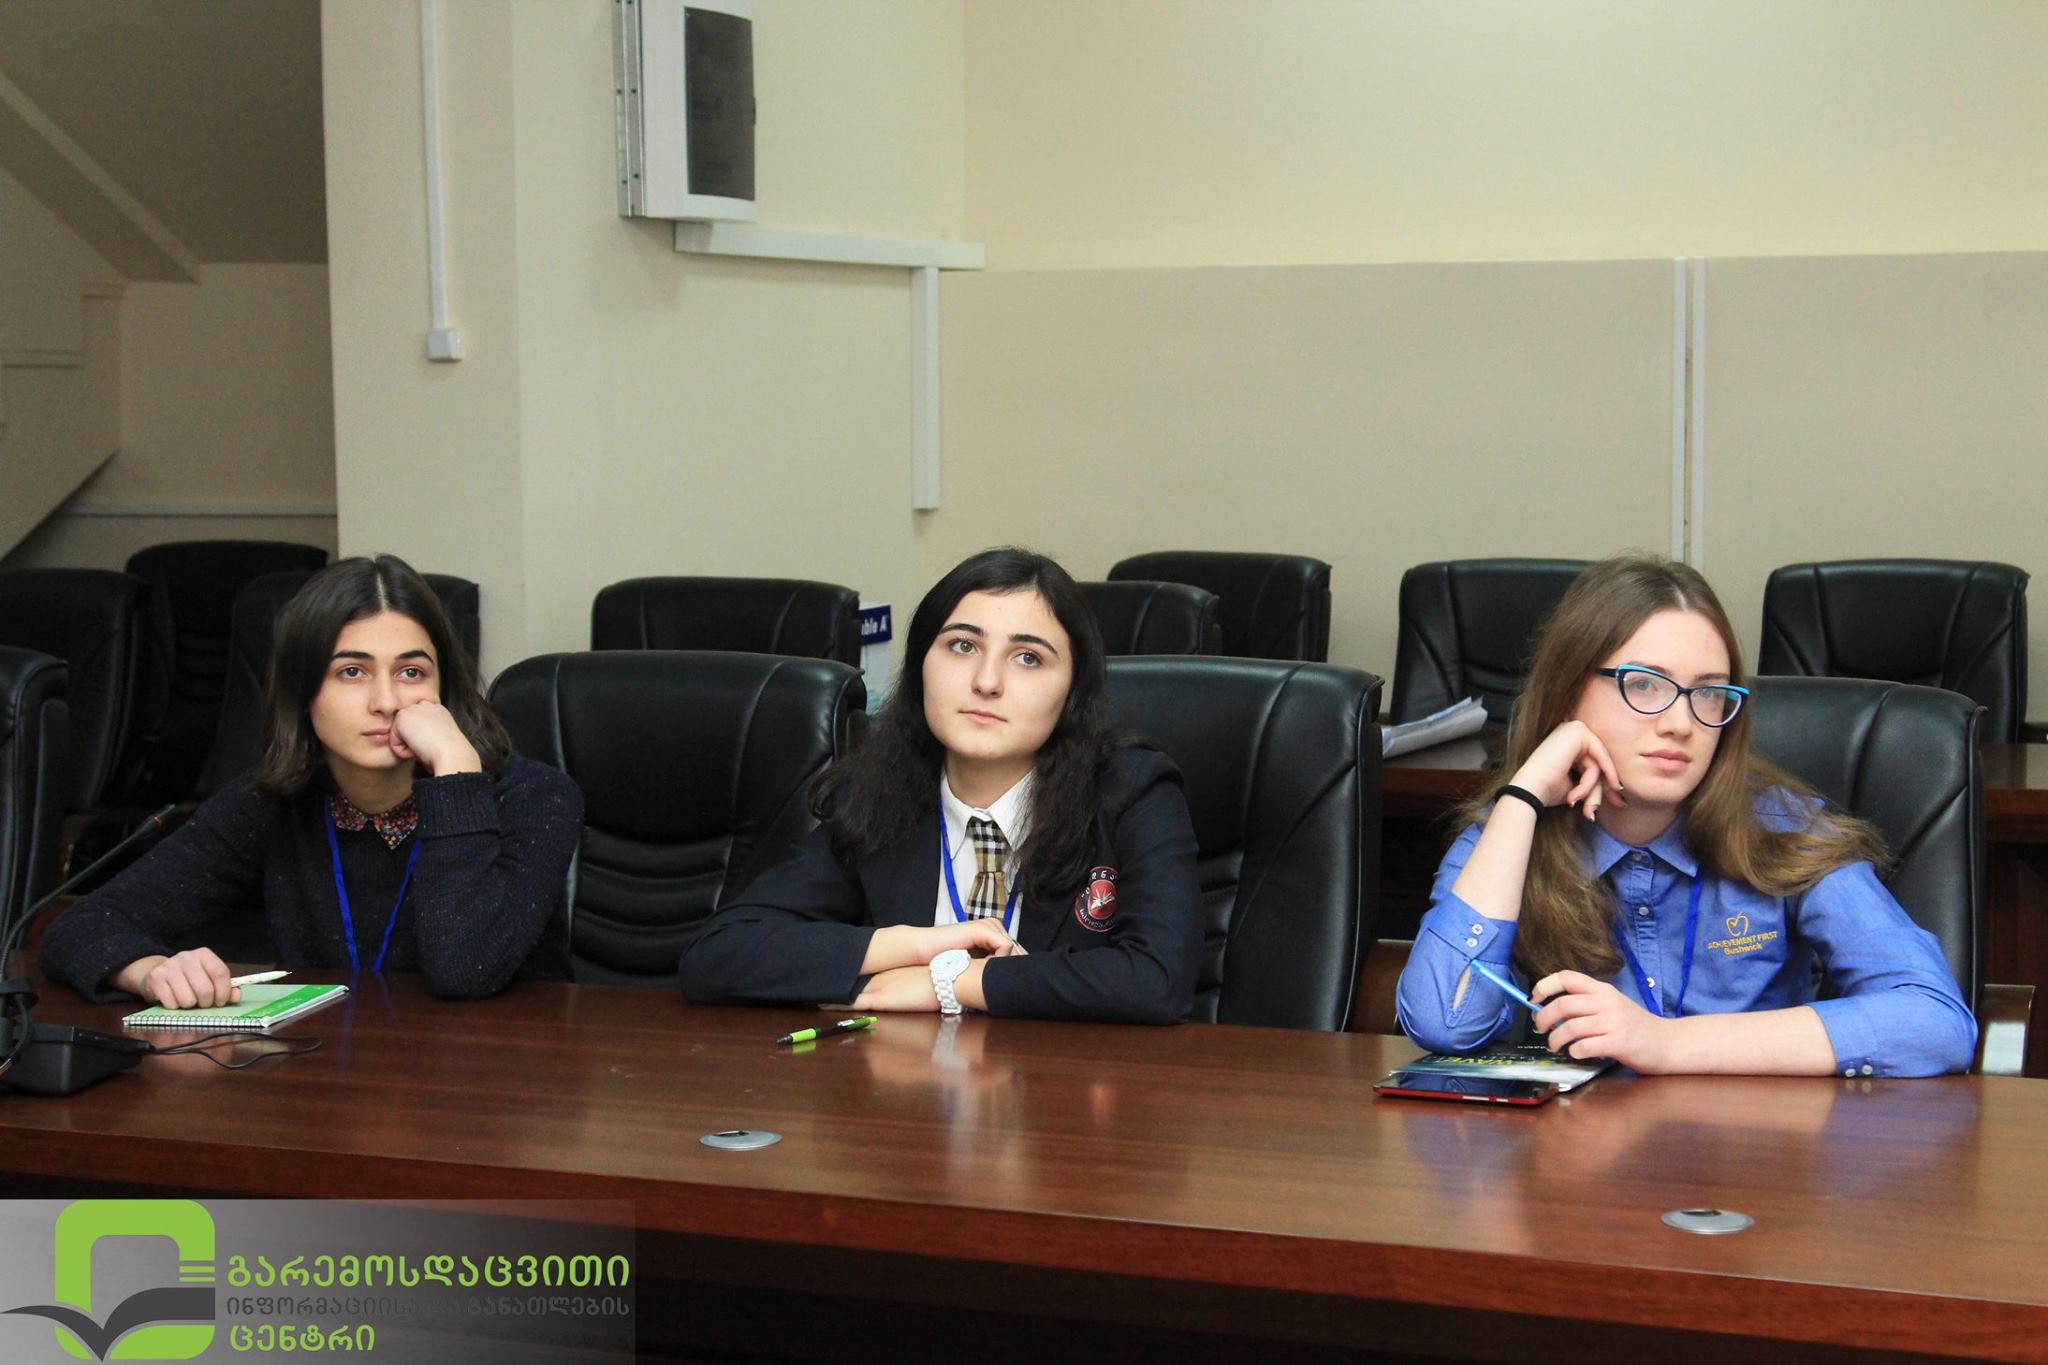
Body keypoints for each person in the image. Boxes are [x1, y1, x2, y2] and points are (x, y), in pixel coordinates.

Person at [1395, 555, 1976, 1077]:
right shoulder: (1506, 836)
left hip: (1756, 1150)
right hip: (1578, 1153)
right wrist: (1522, 798)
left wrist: (1666, 1044)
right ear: (1568, 692)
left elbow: (1935, 1021)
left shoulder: (1783, 827)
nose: (1680, 723)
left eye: (1708, 692)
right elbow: (1444, 1025)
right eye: (1643, 685)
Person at [676, 547, 1202, 1023]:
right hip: (903, 1086)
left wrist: (948, 981)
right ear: (921, 665)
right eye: (962, 646)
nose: (986, 682)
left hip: (1064, 1091)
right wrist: (915, 946)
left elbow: (1157, 981)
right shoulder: (878, 793)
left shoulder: (1130, 791)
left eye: (1028, 657)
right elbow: (719, 955)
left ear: (1072, 692)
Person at [41, 555, 582, 1005]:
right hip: (325, 1077)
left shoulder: (535, 799)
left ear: (444, 690)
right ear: (302, 692)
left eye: (411, 672)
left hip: (496, 1082)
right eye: (352, 672)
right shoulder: (271, 802)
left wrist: (456, 770)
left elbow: (465, 968)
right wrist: (149, 970)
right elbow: (82, 926)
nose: (386, 701)